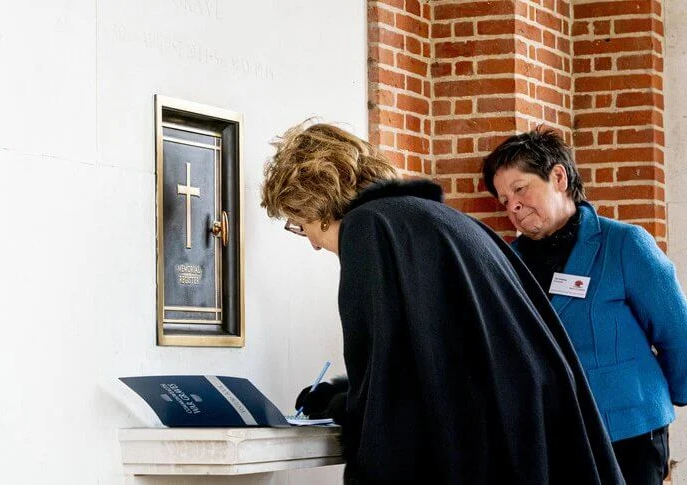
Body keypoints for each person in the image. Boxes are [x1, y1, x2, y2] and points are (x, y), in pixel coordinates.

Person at [261, 121, 623, 483]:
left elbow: (387, 386)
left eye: (299, 225)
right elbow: (431, 359)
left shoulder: (367, 227)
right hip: (533, 436)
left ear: (314, 201)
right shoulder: (440, 218)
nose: (310, 242)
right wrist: (342, 397)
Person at [482, 128, 687, 485]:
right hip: (554, 436)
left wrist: (677, 395)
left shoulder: (624, 243)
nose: (512, 206)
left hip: (629, 431)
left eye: (519, 189)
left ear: (558, 177)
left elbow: (677, 331)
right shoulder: (508, 264)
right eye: (504, 200)